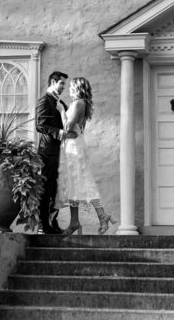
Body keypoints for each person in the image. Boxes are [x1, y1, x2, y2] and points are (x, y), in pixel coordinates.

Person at [56, 77, 115, 236]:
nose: (68, 89)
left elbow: (67, 127)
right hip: (72, 144)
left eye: (70, 87)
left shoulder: (78, 103)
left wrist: (62, 111)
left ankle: (102, 216)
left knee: (83, 181)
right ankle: (75, 221)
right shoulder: (81, 104)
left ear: (76, 87)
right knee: (73, 184)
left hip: (74, 146)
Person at [35, 71, 74, 234]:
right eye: (62, 84)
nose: (64, 87)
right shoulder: (44, 101)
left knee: (56, 189)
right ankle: (43, 225)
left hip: (60, 153)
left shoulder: (61, 104)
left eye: (65, 84)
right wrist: (60, 133)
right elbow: (40, 125)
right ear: (53, 81)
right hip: (47, 153)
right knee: (46, 188)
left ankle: (52, 222)